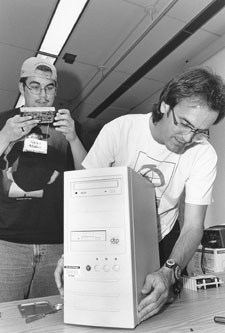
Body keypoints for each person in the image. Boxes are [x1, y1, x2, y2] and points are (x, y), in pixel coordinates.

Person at [54, 66, 225, 322]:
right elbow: (87, 199)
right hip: (116, 235)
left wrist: (169, 272)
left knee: (159, 313)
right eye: (185, 124)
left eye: (200, 131)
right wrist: (73, 255)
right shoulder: (119, 130)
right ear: (166, 104)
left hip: (166, 238)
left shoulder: (204, 153)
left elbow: (193, 225)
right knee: (109, 310)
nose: (189, 137)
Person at [0, 56, 86, 301]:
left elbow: (88, 178)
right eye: (34, 86)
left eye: (49, 88)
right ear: (21, 87)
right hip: (7, 242)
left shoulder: (70, 126)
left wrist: (73, 139)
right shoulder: (3, 122)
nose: (42, 95)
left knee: (50, 320)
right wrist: (5, 136)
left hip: (56, 243)